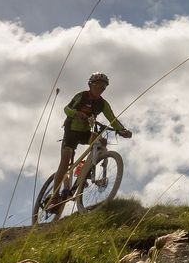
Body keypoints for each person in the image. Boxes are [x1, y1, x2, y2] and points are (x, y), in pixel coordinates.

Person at [48, 72, 132, 210]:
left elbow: (112, 118)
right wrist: (76, 113)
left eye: (103, 87)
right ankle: (54, 198)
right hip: (71, 131)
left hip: (85, 132)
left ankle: (85, 171)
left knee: (101, 142)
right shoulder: (82, 95)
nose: (100, 88)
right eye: (97, 85)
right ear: (90, 85)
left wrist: (122, 130)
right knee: (64, 162)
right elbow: (66, 109)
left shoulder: (102, 104)